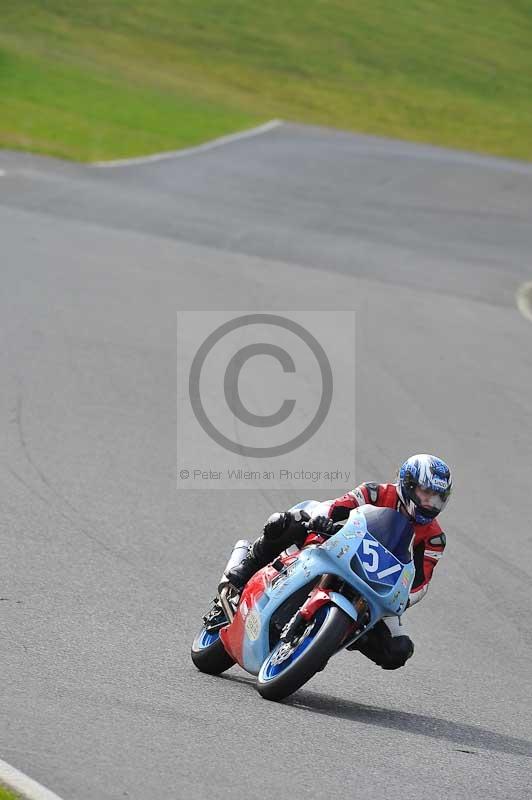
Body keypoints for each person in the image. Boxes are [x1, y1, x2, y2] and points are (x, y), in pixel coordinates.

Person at [226, 454, 452, 670]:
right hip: (338, 547)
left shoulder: (434, 538)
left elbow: (420, 582)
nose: (431, 503)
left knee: (398, 650)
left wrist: (403, 598)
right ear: (408, 484)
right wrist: (323, 520)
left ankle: (330, 637)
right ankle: (247, 566)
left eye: (437, 498)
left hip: (374, 586)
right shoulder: (375, 492)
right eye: (426, 493)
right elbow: (335, 506)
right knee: (286, 522)